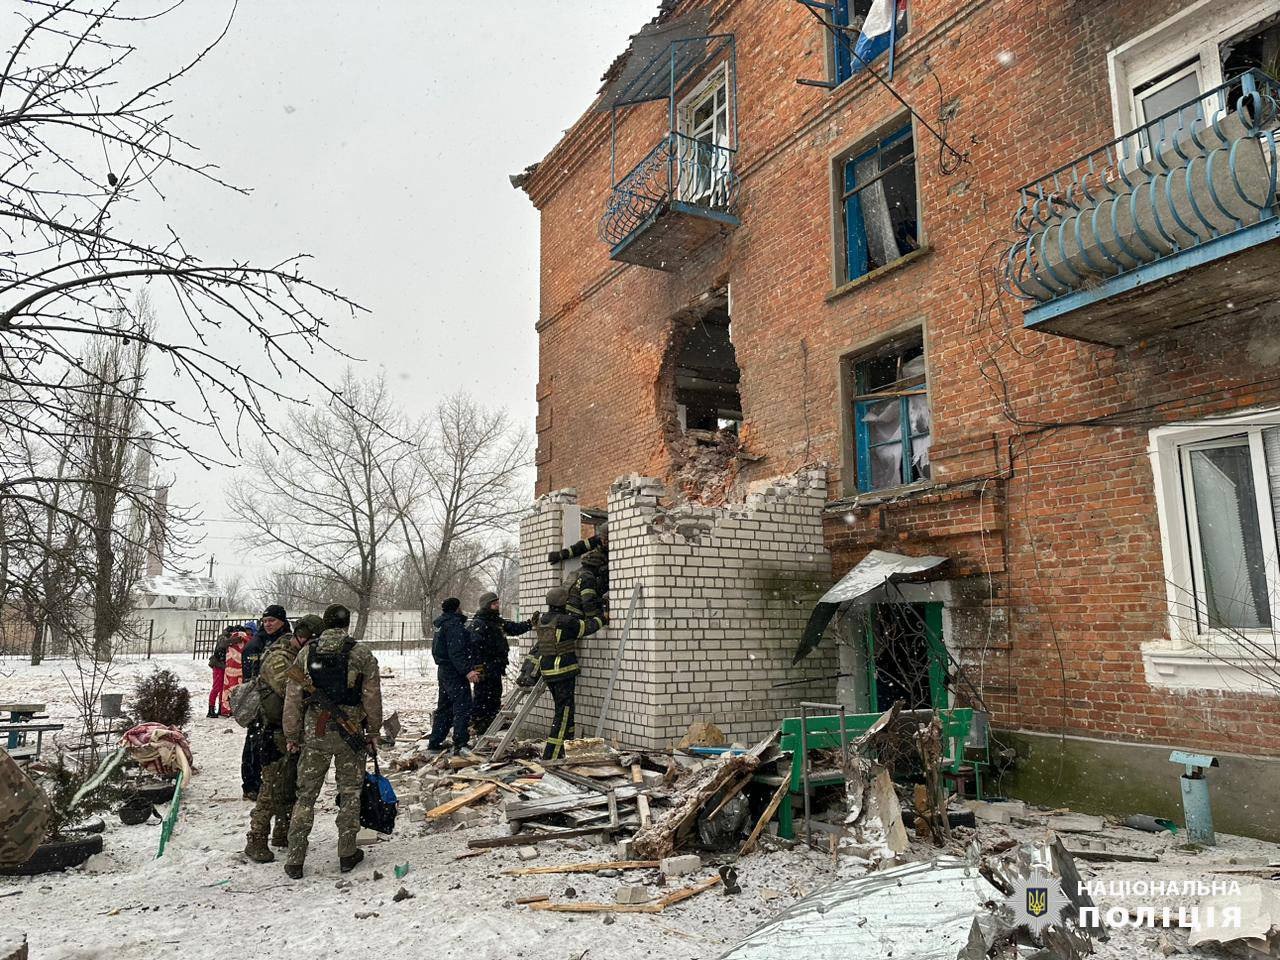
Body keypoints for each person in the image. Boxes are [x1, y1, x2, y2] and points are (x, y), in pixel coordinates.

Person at [283, 604, 382, 879]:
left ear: (324, 624)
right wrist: (373, 732)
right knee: (350, 792)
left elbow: (292, 698)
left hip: (315, 733)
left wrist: (292, 735)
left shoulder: (307, 652)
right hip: (349, 733)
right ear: (347, 624)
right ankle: (347, 852)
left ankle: (295, 857)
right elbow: (372, 696)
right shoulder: (360, 652)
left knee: (305, 795)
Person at [244, 614, 323, 863]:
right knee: (270, 789)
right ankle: (256, 838)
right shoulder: (279, 657)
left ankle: (282, 832)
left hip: (290, 732)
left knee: (290, 786)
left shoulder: (299, 655)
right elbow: (291, 691)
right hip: (272, 732)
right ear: (301, 636)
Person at [528, 587, 606, 760]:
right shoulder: (566, 621)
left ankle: (567, 746)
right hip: (563, 672)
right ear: (563, 602)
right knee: (563, 715)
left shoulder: (543, 619)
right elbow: (586, 627)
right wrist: (603, 618)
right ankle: (552, 754)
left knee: (566, 711)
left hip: (548, 671)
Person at [242, 607, 290, 802]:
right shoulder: (256, 644)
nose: (268, 624)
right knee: (254, 742)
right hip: (259, 701)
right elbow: (248, 677)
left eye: (272, 620)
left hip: (281, 701)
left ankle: (277, 782)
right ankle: (251, 784)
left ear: (282, 621)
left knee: (278, 743)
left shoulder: (288, 641)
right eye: (265, 620)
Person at [466, 592, 532, 735]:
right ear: (487, 605)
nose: (497, 606)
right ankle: (478, 725)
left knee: (495, 696)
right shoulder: (479, 623)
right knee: (482, 697)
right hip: (484, 668)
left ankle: (491, 723)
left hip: (496, 667)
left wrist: (529, 624)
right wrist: (478, 670)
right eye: (494, 604)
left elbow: (514, 628)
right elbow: (474, 649)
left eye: (497, 603)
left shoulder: (497, 621)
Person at [426, 598, 479, 756]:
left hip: (444, 671)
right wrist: (467, 671)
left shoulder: (441, 625)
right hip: (454, 672)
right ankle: (460, 742)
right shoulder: (453, 625)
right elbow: (456, 652)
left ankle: (435, 741)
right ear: (456, 609)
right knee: (462, 706)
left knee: (445, 707)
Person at [221, 626, 251, 720]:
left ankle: (227, 709)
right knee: (239, 689)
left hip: (229, 668)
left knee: (228, 688)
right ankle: (237, 709)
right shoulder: (247, 639)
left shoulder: (229, 640)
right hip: (240, 668)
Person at [207, 626, 233, 718]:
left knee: (222, 688)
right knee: (217, 687)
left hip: (222, 665)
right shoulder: (223, 638)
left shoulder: (225, 637)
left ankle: (220, 709)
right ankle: (211, 709)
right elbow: (223, 644)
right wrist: (233, 640)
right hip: (218, 665)